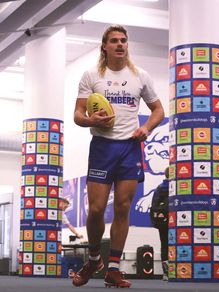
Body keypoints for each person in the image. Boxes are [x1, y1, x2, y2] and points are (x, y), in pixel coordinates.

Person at [72, 24, 165, 288]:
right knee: (97, 210)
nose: (120, 44)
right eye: (114, 40)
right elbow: (78, 114)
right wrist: (91, 120)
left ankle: (113, 268)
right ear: (105, 46)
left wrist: (146, 127)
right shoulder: (91, 75)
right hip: (102, 147)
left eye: (123, 40)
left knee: (123, 209)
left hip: (129, 148)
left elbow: (158, 110)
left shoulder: (140, 76)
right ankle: (93, 259)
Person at [150, 166, 169, 281]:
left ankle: (166, 273)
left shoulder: (159, 188)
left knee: (164, 245)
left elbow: (153, 206)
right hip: (177, 221)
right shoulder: (177, 187)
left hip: (162, 221)